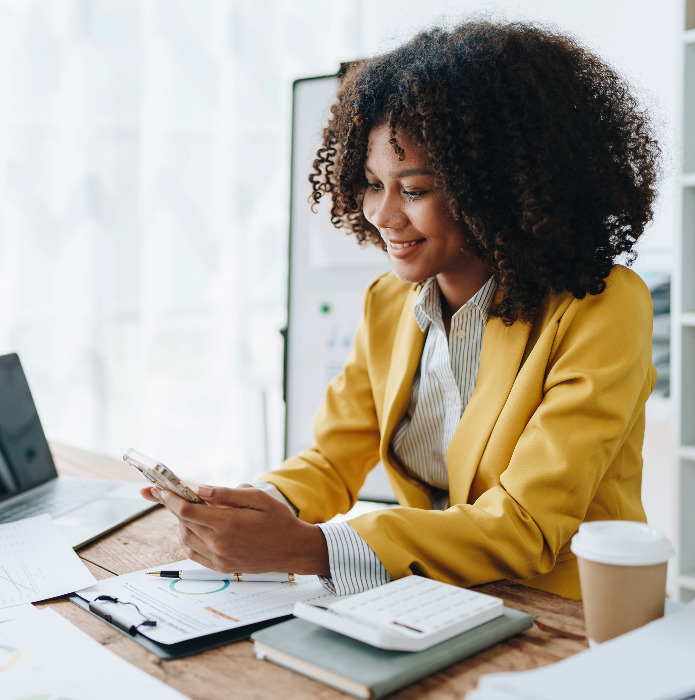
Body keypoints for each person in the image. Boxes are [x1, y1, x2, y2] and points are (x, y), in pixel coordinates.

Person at [141, 19, 660, 600]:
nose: (382, 215)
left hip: (567, 615)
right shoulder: (389, 303)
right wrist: (253, 507)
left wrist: (308, 548)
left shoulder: (602, 307)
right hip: (435, 603)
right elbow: (333, 460)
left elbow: (526, 528)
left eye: (413, 190)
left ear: (497, 188)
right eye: (370, 184)